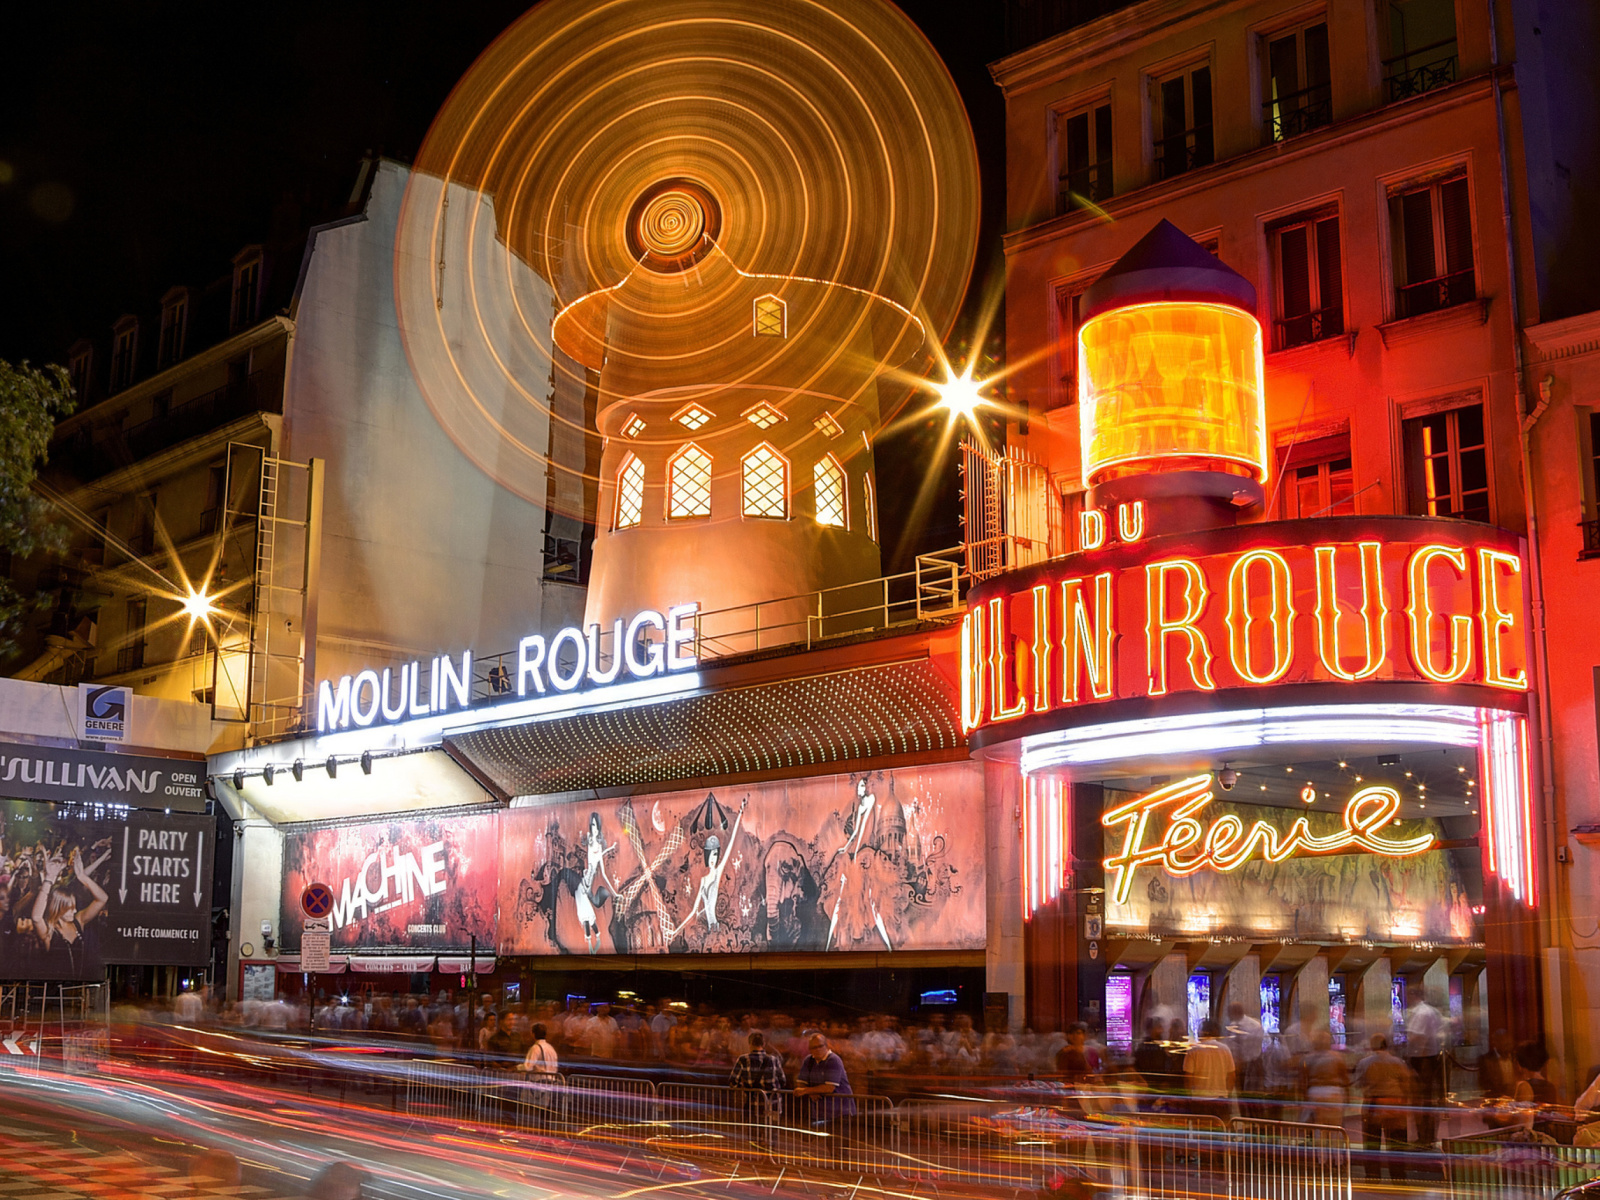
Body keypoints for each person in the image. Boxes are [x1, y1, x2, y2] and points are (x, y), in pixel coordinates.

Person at [1354, 1034, 1410, 1177]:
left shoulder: (1364, 1062)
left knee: (1372, 1142)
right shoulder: (1397, 1062)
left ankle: (1372, 1175)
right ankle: (1398, 1176)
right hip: (1394, 1103)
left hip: (1373, 1104)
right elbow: (1406, 1083)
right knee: (1396, 1143)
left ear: (1372, 1046)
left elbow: (1359, 1083)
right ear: (1386, 1045)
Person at [1405, 995, 1446, 1146]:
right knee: (1427, 1100)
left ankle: (1425, 1136)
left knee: (1422, 1101)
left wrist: (1412, 1060)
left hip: (1423, 1059)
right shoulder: (1432, 1011)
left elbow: (1417, 1037)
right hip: (1428, 1058)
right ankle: (1427, 1135)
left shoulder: (1421, 1012)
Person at [794, 1033, 857, 1125]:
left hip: (841, 1112)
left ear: (826, 1045)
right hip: (821, 1112)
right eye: (814, 1047)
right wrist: (810, 1092)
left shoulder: (833, 1060)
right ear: (810, 1049)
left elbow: (829, 1087)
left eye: (820, 1046)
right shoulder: (809, 1061)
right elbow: (801, 1082)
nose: (818, 1049)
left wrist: (807, 1091)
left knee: (839, 1138)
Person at [1183, 1018, 1237, 1120]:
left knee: (1201, 1132)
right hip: (1221, 1100)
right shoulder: (1225, 1049)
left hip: (1200, 1100)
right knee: (1220, 1132)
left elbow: (1188, 1078)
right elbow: (1231, 1076)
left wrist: (1189, 1096)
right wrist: (1227, 1094)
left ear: (1201, 1032)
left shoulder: (1193, 1050)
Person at [730, 1031, 787, 1126]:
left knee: (754, 1132)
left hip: (753, 1103)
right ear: (763, 1044)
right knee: (772, 1130)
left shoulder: (743, 1060)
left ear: (750, 1044)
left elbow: (733, 1081)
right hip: (773, 1103)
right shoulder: (774, 1060)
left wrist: (744, 1089)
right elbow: (783, 1081)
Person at [1302, 1029, 1351, 1129]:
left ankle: (1319, 1143)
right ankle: (1335, 1143)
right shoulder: (1337, 1057)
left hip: (1315, 1091)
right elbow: (1345, 1079)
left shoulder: (1307, 1058)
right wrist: (1347, 1097)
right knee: (1335, 1125)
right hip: (1334, 1092)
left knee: (1318, 1125)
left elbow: (1302, 1080)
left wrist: (1305, 1097)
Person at [1513, 1042, 1562, 1139]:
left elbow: (1521, 1119)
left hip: (1533, 1137)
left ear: (1519, 1064)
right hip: (1548, 1135)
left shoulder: (1524, 1086)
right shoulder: (1550, 1086)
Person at [1225, 1002, 1265, 1106]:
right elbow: (1231, 1045)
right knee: (1241, 1095)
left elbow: (1257, 1046)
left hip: (1252, 1063)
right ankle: (1244, 1116)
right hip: (1238, 1065)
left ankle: (1255, 1118)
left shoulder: (1254, 1025)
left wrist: (1245, 1060)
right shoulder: (1232, 1026)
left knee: (1253, 1095)